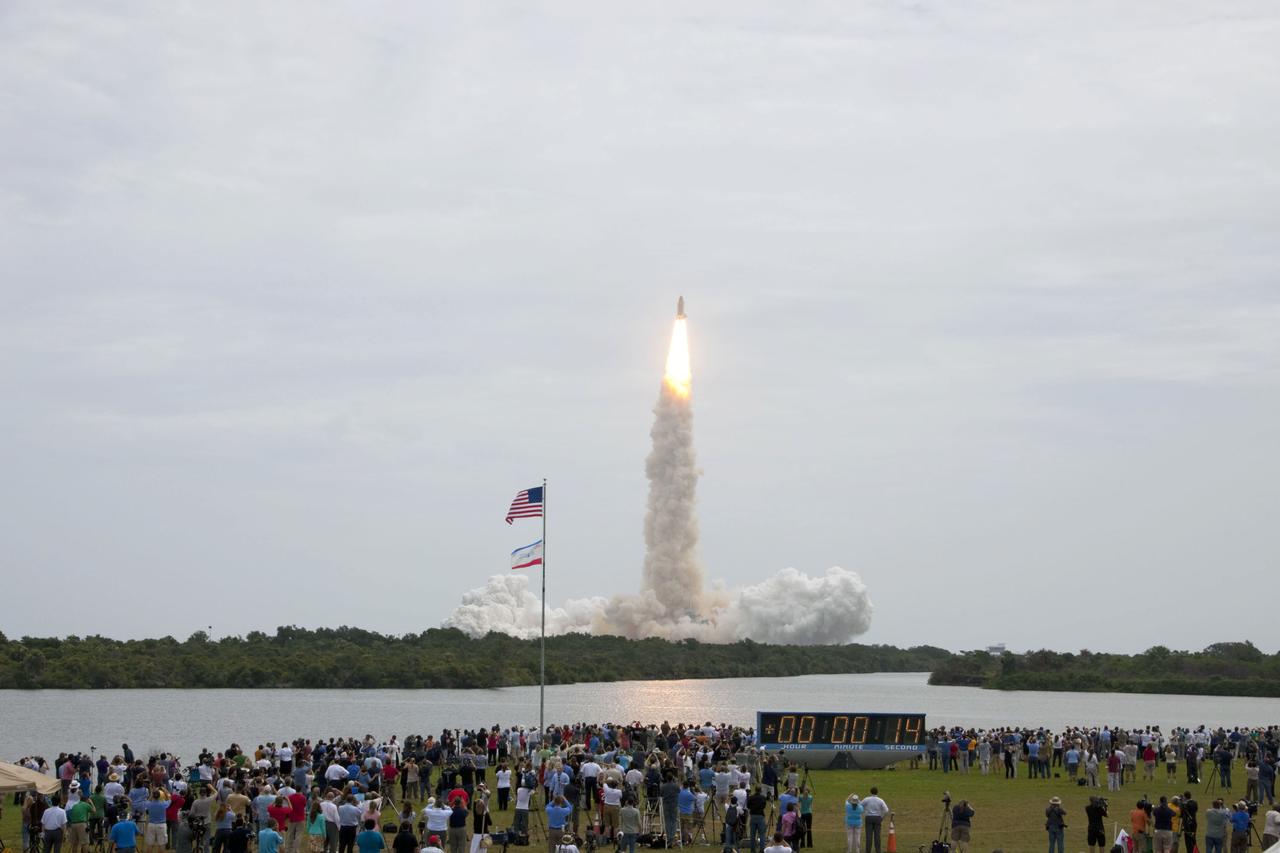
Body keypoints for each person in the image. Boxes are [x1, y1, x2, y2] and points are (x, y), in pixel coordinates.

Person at [860, 788, 888, 853]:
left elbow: (860, 806)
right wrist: (882, 817)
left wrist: (864, 813)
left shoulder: (866, 799)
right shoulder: (880, 800)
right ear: (877, 792)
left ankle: (868, 851)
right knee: (877, 836)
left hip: (869, 818)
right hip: (878, 818)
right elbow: (886, 810)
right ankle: (878, 851)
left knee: (868, 836)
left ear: (871, 792)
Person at [746, 786, 768, 853]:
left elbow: (748, 806)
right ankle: (762, 850)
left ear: (755, 790)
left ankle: (752, 850)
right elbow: (764, 806)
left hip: (753, 816)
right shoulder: (763, 797)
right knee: (762, 834)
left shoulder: (751, 797)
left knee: (752, 835)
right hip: (760, 816)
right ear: (760, 790)